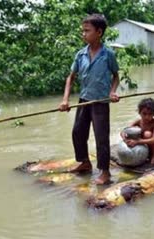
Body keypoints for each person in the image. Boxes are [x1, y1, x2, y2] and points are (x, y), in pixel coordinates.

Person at [58, 14, 119, 185]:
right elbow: (70, 78)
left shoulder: (108, 55)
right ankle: (84, 162)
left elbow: (116, 76)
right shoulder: (80, 55)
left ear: (99, 32)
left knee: (101, 137)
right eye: (83, 31)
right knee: (78, 132)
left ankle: (105, 172)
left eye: (87, 31)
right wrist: (65, 100)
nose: (83, 34)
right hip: (84, 100)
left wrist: (113, 92)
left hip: (100, 102)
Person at [121, 98, 154, 164]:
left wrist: (137, 141)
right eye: (144, 114)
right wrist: (125, 138)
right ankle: (145, 153)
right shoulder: (138, 121)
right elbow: (124, 131)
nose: (147, 117)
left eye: (150, 114)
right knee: (132, 133)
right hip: (143, 144)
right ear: (139, 112)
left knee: (147, 134)